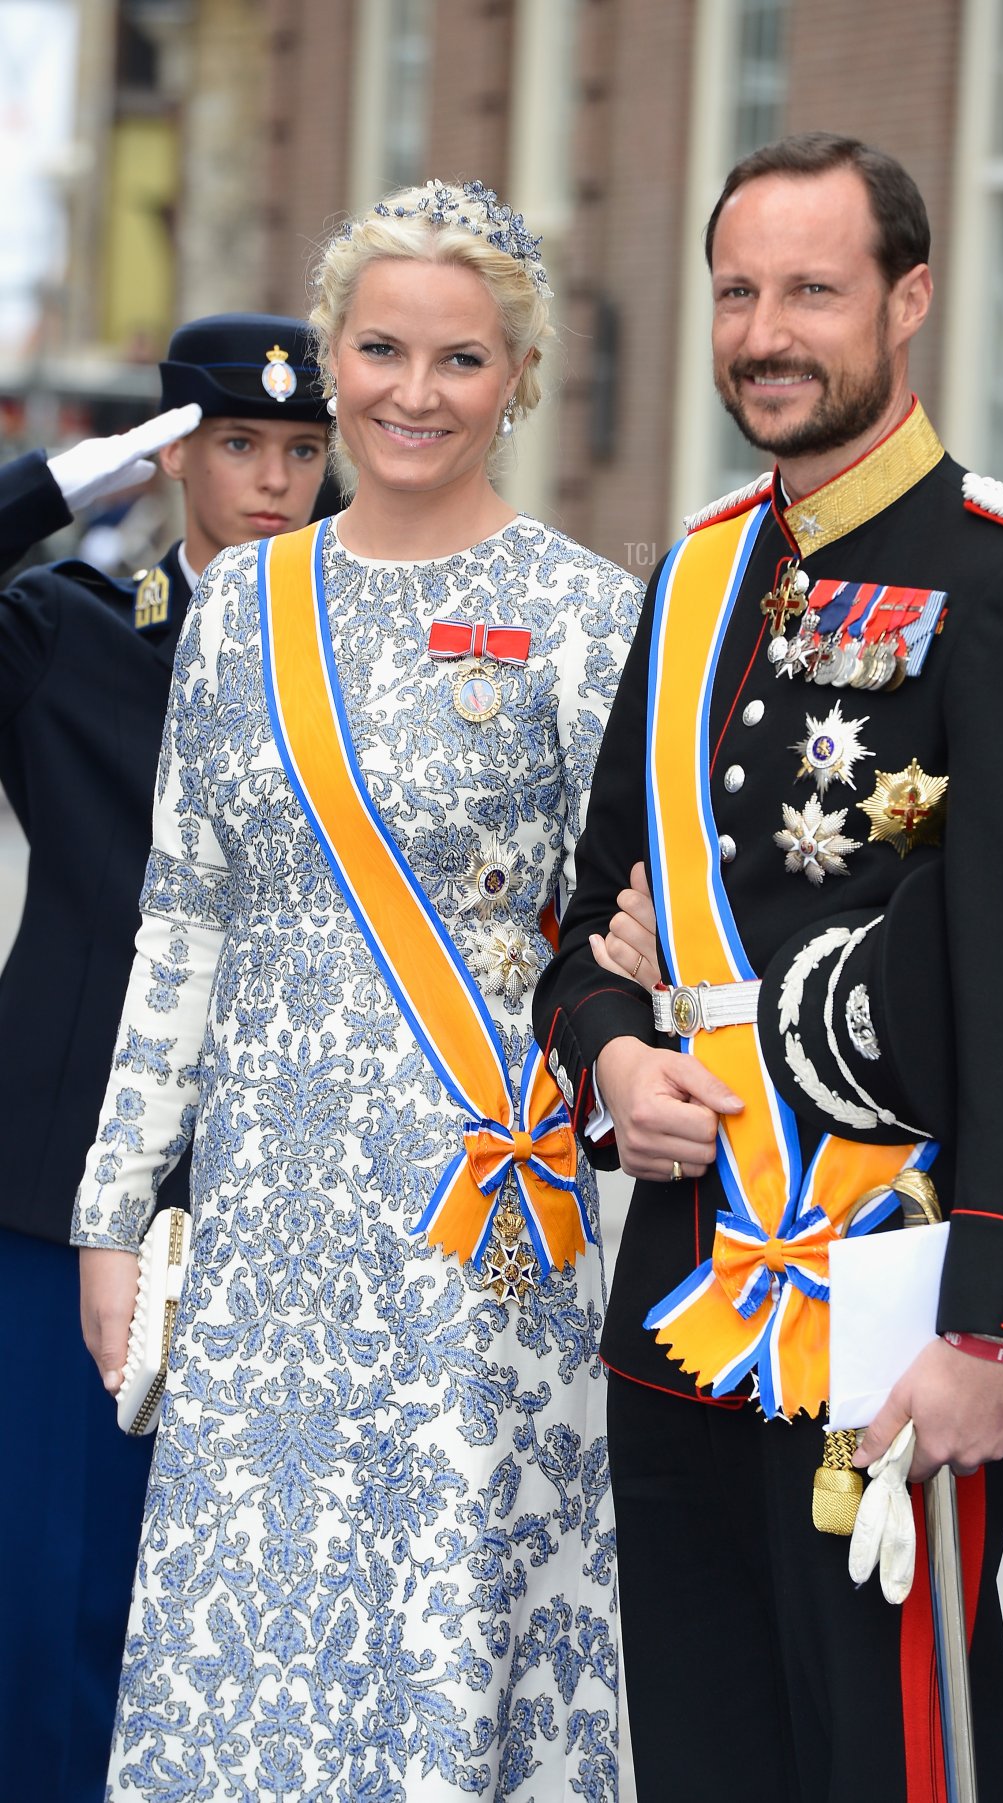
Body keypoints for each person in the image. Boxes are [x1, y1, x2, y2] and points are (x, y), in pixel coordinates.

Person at [533, 132, 1003, 1803]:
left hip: (894, 1309)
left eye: (812, 289)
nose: (765, 331)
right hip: (684, 1304)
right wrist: (610, 1059)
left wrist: (1000, 1336)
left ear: (910, 298)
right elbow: (588, 923)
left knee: (889, 1760)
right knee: (710, 1758)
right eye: (738, 291)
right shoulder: (701, 578)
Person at [73, 180, 642, 1799]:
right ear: (329, 357)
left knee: (447, 1618)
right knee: (255, 1627)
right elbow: (182, 913)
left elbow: (632, 926)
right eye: (380, 349)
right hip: (266, 1219)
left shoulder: (585, 615)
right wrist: (120, 1205)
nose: (412, 391)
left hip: (475, 1215)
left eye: (461, 360)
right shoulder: (239, 605)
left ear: (518, 378)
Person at [0, 313, 329, 1803]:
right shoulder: (73, 634)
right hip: (59, 1176)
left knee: (249, 1593)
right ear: (178, 451)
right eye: (236, 445)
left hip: (283, 1186)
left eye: (302, 450)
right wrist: (74, 478)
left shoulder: (358, 656)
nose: (271, 480)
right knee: (50, 1585)